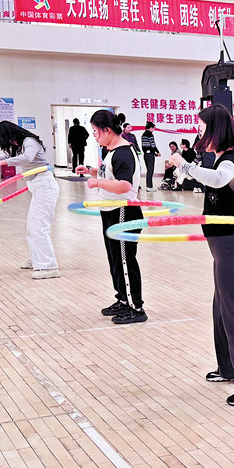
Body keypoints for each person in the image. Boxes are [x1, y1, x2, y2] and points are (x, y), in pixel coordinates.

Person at [174, 104, 234, 405]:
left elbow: (218, 179)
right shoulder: (218, 158)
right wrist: (184, 171)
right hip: (221, 246)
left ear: (216, 130)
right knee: (221, 311)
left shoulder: (232, 159)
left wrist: (185, 166)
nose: (198, 134)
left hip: (233, 247)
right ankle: (229, 367)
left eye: (202, 129)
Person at [79, 109, 148, 323]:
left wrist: (97, 182)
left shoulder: (123, 152)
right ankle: (123, 299)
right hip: (111, 211)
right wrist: (90, 171)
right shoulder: (112, 150)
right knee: (115, 260)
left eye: (95, 131)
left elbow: (124, 185)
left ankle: (136, 308)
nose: (94, 136)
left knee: (125, 261)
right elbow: (109, 174)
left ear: (107, 130)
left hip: (123, 212)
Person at [0, 121, 60, 279]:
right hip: (35, 185)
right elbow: (4, 156)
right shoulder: (17, 146)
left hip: (45, 184)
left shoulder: (29, 141)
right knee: (31, 227)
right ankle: (37, 258)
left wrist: (3, 163)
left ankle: (48, 266)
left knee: (39, 227)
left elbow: (27, 158)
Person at [141, 121, 160, 193]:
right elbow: (153, 145)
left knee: (148, 170)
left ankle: (148, 186)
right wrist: (157, 152)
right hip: (150, 155)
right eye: (153, 128)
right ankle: (149, 186)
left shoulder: (143, 135)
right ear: (151, 128)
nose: (154, 130)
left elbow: (144, 147)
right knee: (150, 170)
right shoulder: (150, 135)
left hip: (146, 154)